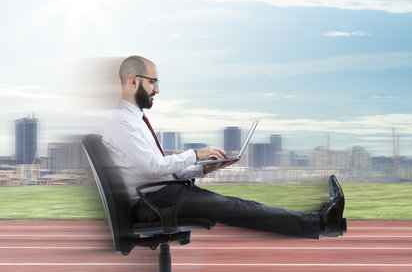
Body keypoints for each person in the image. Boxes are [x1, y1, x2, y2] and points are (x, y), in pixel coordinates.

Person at [101, 55, 346, 238]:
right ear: (134, 81)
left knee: (239, 206)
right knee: (237, 207)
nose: (157, 89)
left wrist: (205, 168)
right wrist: (195, 154)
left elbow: (158, 170)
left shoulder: (133, 120)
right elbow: (153, 168)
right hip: (154, 204)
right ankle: (323, 223)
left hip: (163, 196)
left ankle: (322, 221)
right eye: (153, 82)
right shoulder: (120, 122)